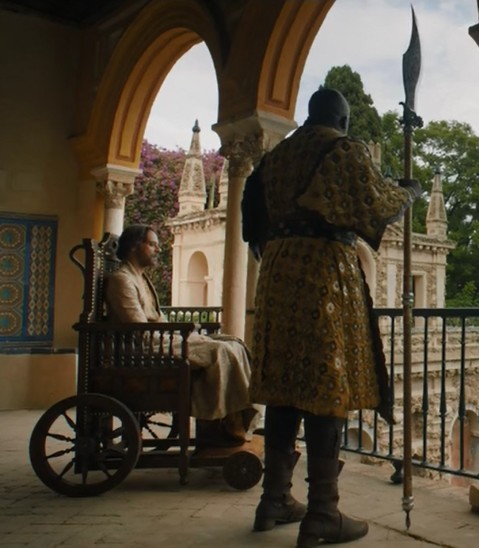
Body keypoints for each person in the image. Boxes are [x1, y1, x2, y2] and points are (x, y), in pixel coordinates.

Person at [244, 87, 421, 545]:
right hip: (321, 272)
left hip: (276, 274)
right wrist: (407, 192)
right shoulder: (342, 148)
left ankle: (273, 499)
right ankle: (323, 511)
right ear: (342, 120)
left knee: (283, 386)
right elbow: (374, 203)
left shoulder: (274, 158)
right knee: (327, 384)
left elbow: (253, 222)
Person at [105, 224, 256, 448]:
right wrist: (180, 333)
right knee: (221, 351)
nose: (158, 249)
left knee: (234, 343)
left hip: (160, 339)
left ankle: (231, 418)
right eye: (152, 244)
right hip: (146, 346)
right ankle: (225, 422)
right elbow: (139, 329)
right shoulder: (122, 280)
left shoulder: (140, 278)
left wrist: (181, 333)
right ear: (135, 247)